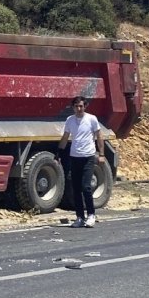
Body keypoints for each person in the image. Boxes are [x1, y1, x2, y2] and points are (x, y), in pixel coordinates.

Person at [56, 96, 105, 228]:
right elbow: (65, 137)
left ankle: (91, 215)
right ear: (73, 107)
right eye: (76, 106)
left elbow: (99, 136)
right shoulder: (70, 120)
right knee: (76, 188)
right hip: (75, 157)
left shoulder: (91, 119)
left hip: (88, 156)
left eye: (81, 106)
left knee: (86, 187)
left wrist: (101, 154)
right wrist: (59, 153)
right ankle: (79, 217)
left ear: (85, 106)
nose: (79, 109)